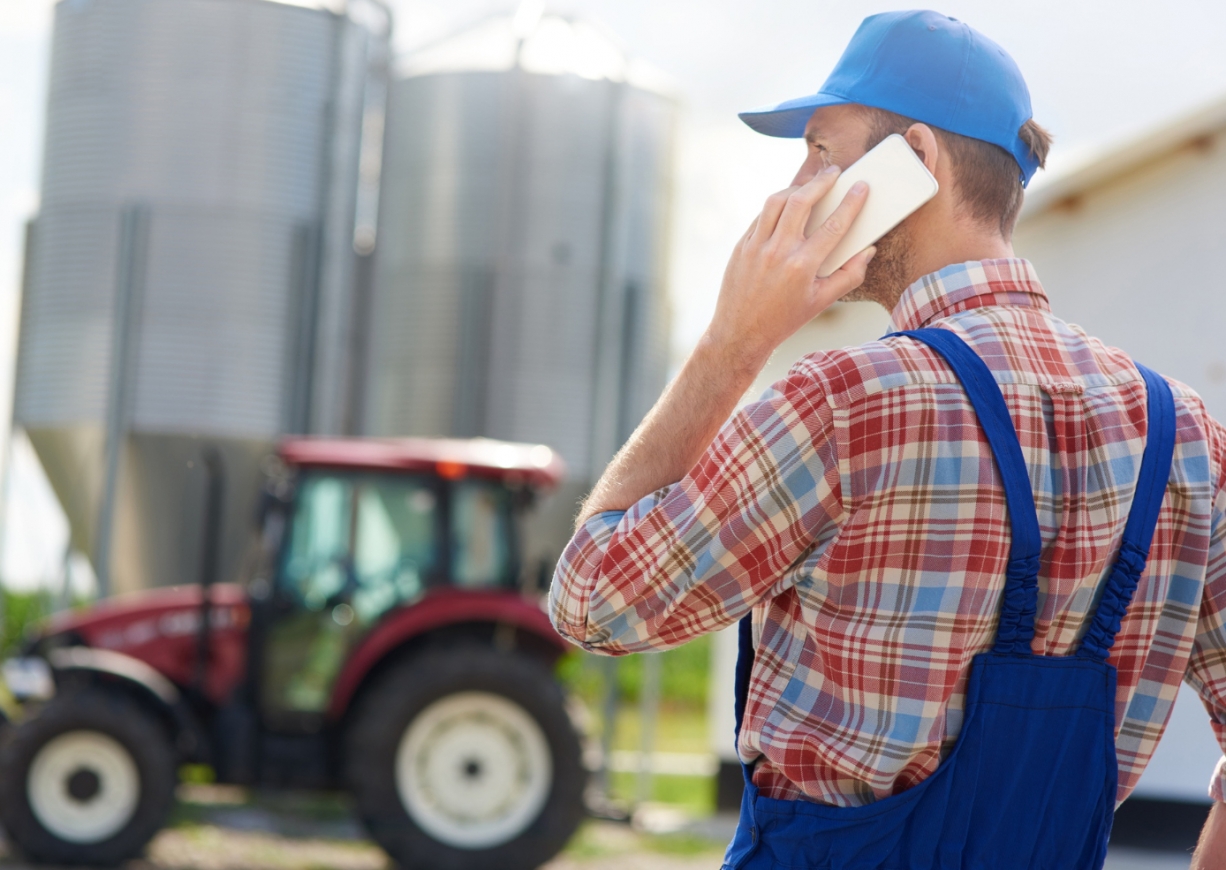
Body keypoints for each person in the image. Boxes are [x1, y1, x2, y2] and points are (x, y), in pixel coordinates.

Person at [549, 9, 1226, 870]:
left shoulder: (842, 402)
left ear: (917, 160)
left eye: (823, 150)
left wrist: (731, 347)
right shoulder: (1187, 434)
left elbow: (592, 600)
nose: (799, 186)